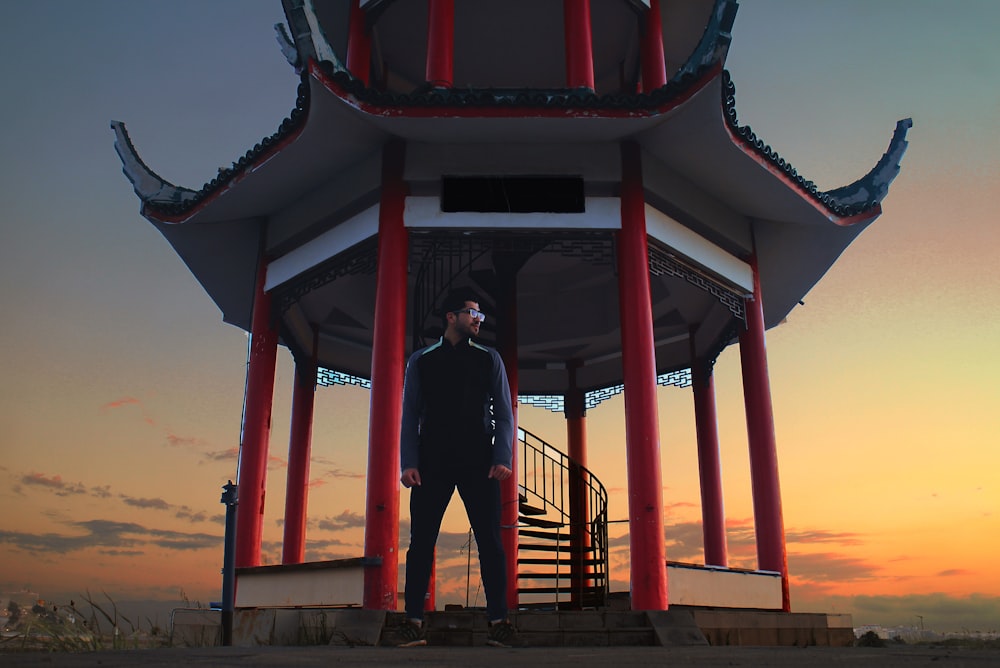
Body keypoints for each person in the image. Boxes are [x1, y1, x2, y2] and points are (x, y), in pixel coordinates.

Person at [395, 290, 517, 648]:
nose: (478, 319)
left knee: (491, 543)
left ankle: (499, 623)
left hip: (479, 460)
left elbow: (505, 413)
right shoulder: (421, 360)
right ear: (451, 317)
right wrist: (409, 462)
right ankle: (413, 623)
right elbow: (410, 414)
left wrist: (503, 456)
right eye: (471, 313)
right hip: (431, 460)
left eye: (480, 315)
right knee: (421, 544)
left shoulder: (489, 358)